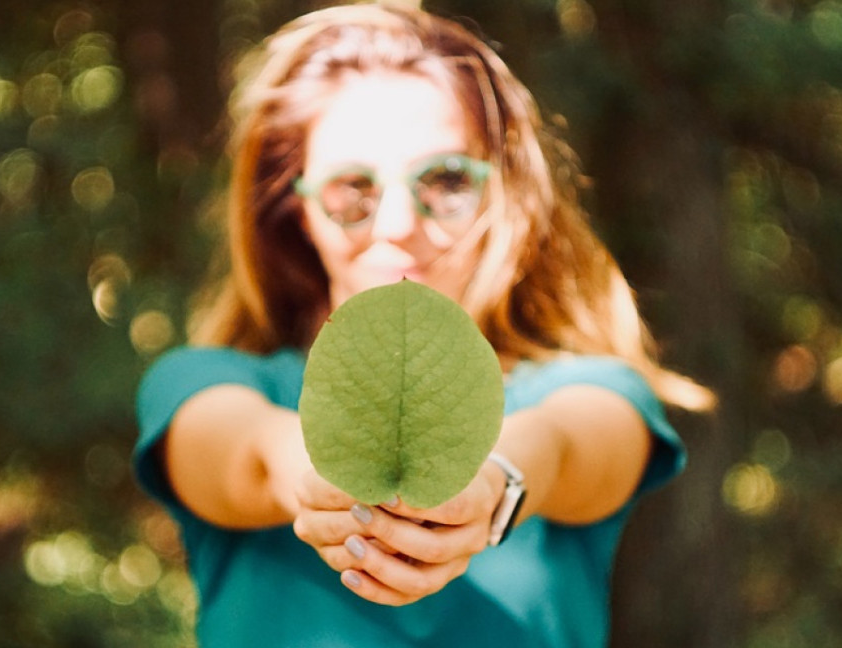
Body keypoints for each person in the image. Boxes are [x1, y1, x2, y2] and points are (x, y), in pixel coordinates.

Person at [133, 3, 713, 646]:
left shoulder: (593, 391)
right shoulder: (201, 383)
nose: (398, 224)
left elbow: (568, 446)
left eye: (444, 181)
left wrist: (493, 483)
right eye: (352, 188)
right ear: (296, 209)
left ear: (501, 192)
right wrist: (317, 477)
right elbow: (248, 457)